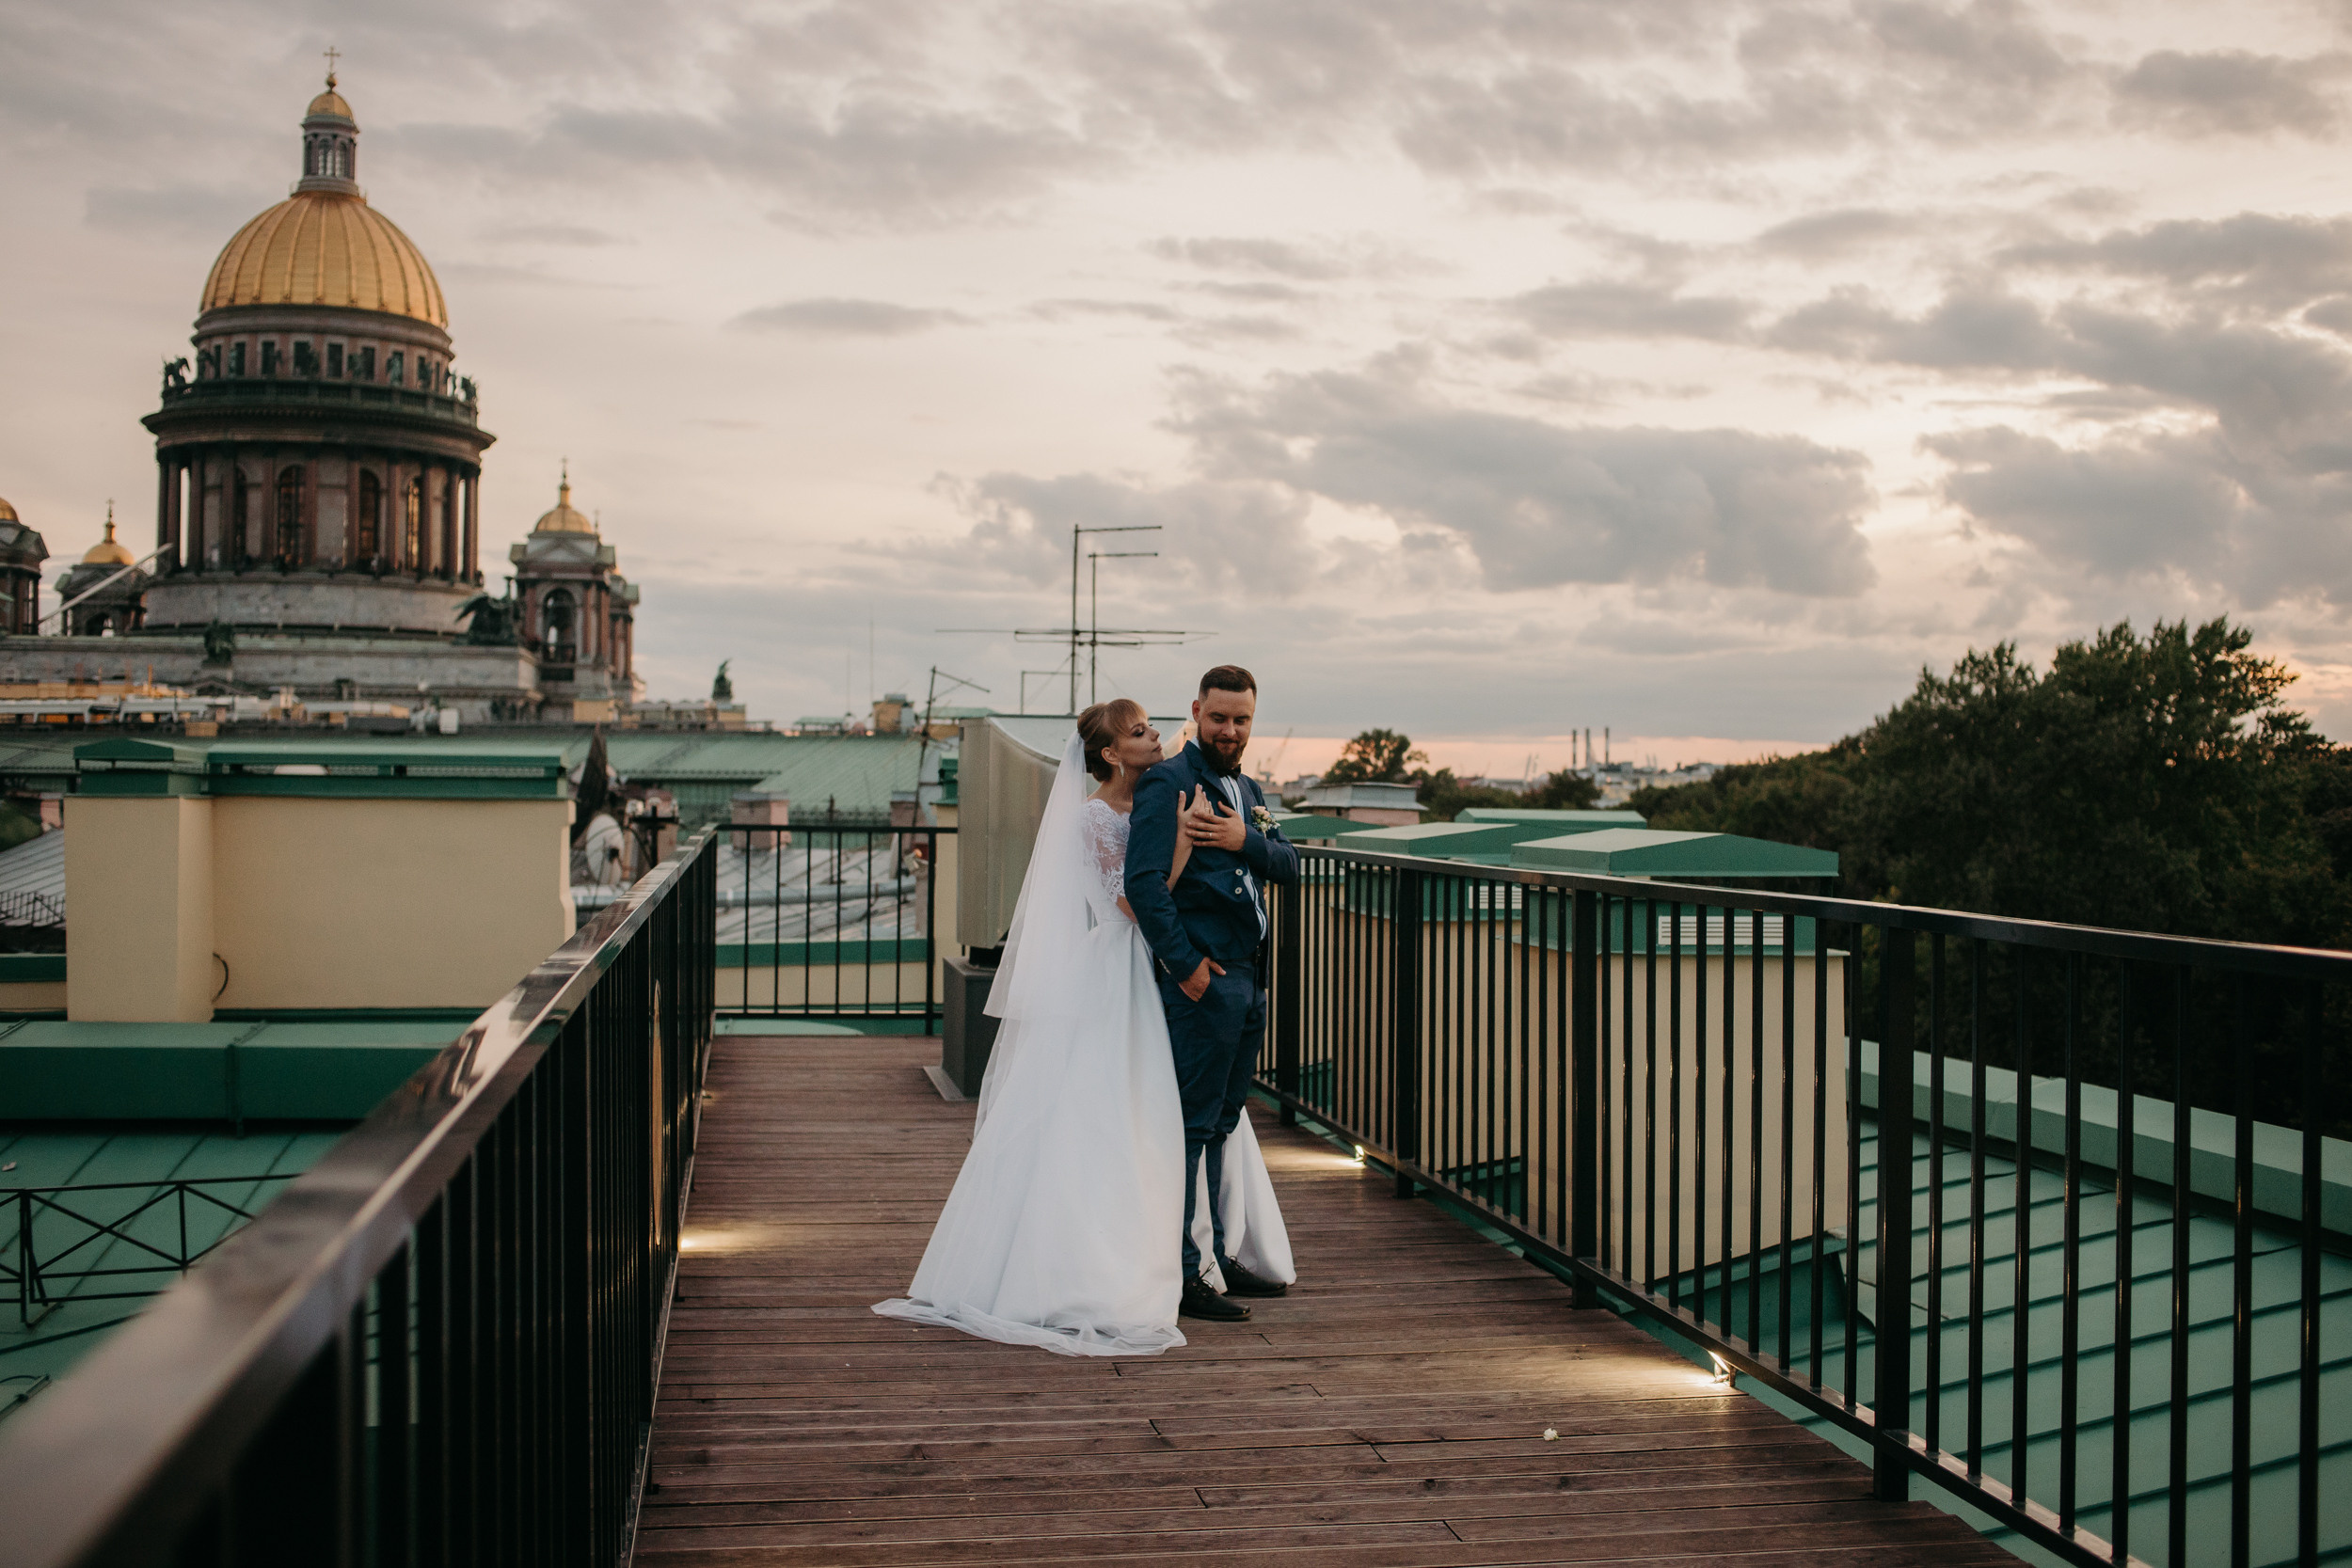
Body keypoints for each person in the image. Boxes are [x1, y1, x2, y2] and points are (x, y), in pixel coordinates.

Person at [872, 697, 1287, 1354]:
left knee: (1151, 1114)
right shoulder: (1095, 814)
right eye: (1139, 732)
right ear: (1109, 754)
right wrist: (1180, 844)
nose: (1154, 736)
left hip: (1143, 963)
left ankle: (1178, 1247)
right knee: (1107, 1112)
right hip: (1118, 964)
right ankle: (1105, 1262)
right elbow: (1130, 897)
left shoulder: (1147, 797)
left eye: (1151, 726)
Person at [1124, 665, 1302, 1322]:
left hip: (1250, 982)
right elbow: (1143, 885)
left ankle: (1216, 1257)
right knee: (1191, 1129)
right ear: (1198, 711)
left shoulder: (1249, 788)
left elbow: (1289, 864)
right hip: (1205, 984)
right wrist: (1187, 969)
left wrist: (1241, 838)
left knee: (1224, 1124)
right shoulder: (1167, 782)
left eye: (1242, 720)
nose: (1231, 730)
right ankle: (1180, 1273)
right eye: (1220, 717)